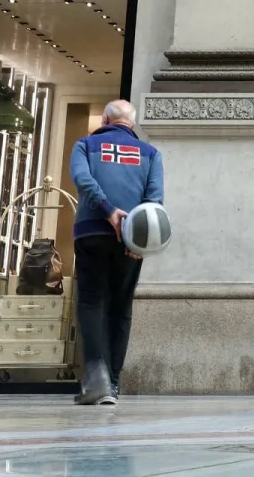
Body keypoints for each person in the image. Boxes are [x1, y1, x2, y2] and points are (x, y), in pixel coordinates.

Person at [69, 100, 163, 405]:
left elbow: (83, 181)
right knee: (121, 308)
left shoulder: (85, 145)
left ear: (106, 119)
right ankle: (114, 384)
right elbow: (155, 200)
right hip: (130, 240)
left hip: (92, 232)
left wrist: (108, 211)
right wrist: (140, 239)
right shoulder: (151, 154)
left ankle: (97, 380)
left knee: (92, 303)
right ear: (132, 125)